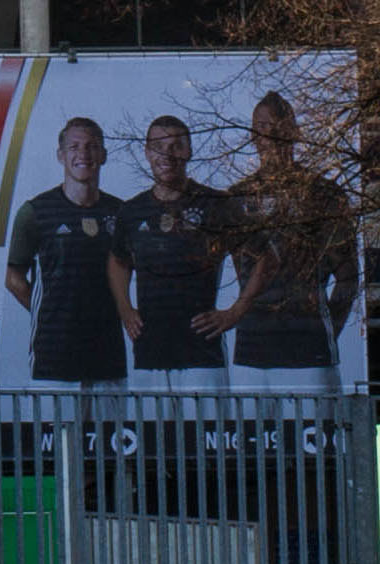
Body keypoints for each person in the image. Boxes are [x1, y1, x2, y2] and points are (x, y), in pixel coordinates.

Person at [215, 88, 357, 394]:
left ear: (294, 132)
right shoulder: (236, 198)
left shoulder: (324, 194)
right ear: (252, 134)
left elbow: (347, 278)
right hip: (250, 353)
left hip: (308, 354)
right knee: (251, 441)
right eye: (261, 127)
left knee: (315, 440)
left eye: (277, 125)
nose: (269, 134)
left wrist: (327, 332)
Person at [3, 115, 134, 387]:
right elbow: (11, 274)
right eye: (74, 147)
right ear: (60, 155)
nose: (83, 154)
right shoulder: (35, 212)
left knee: (111, 430)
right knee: (57, 431)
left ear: (104, 155)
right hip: (54, 357)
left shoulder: (121, 213)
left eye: (91, 146)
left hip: (108, 356)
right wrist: (49, 310)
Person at [118, 112, 233, 388]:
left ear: (190, 151)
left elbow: (260, 255)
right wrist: (124, 308)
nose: (167, 154)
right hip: (149, 354)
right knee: (151, 433)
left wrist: (235, 312)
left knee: (206, 433)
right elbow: (117, 261)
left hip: (202, 356)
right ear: (147, 152)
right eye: (158, 146)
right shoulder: (132, 211)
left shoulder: (214, 203)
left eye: (176, 146)